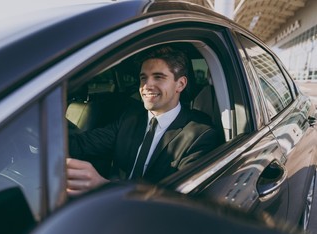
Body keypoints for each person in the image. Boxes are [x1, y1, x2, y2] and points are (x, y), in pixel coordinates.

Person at [67, 45, 220, 196]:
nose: (147, 86)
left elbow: (177, 196)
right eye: (143, 78)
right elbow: (81, 144)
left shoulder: (200, 134)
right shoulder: (130, 117)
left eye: (158, 77)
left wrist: (104, 185)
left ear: (180, 84)